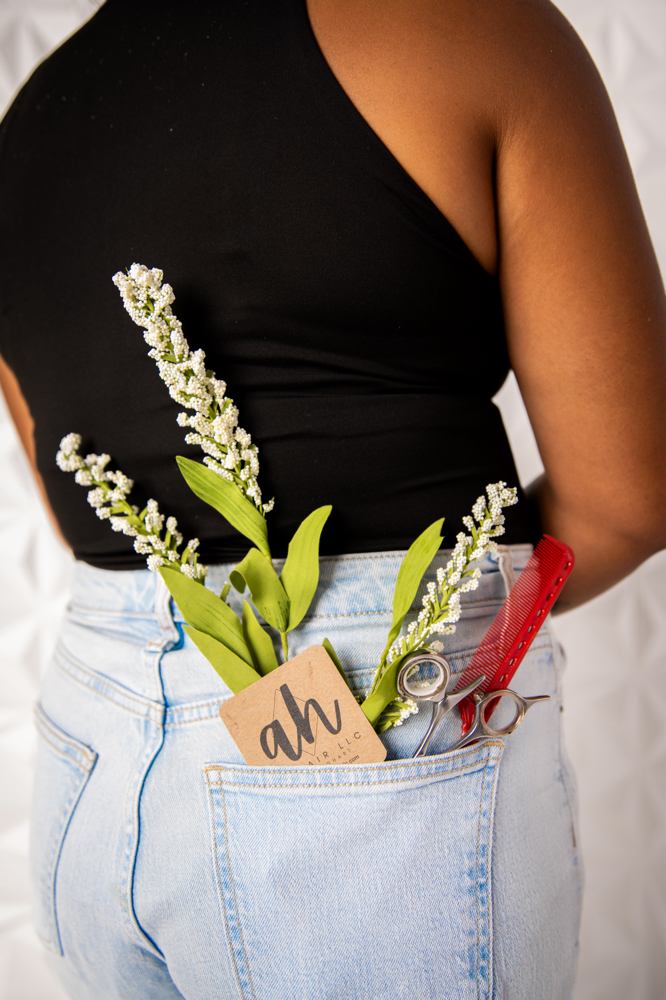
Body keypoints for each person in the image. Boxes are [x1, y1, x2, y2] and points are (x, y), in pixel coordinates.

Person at [1, 1, 664, 997]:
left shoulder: (30, 114)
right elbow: (629, 497)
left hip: (91, 752)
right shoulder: (468, 27)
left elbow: (72, 507)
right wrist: (459, 635)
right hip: (376, 747)